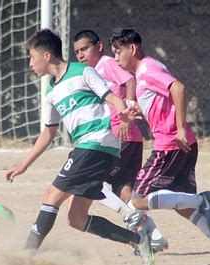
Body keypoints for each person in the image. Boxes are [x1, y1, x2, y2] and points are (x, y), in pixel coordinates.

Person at [4, 29, 155, 265]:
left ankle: (26, 256)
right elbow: (48, 133)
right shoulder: (51, 93)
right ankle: (139, 241)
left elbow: (111, 97)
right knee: (76, 219)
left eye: (32, 57)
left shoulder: (83, 72)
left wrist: (124, 117)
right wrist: (23, 165)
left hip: (95, 143)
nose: (30, 63)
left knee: (50, 196)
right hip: (93, 149)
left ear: (46, 55)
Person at [109, 28, 210, 265]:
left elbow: (178, 89)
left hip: (170, 144)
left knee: (138, 200)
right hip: (183, 143)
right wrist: (138, 113)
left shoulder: (147, 70)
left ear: (132, 48)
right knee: (182, 207)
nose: (116, 58)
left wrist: (180, 127)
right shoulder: (149, 69)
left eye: (118, 52)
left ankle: (200, 200)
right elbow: (163, 102)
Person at [72, 29, 168, 253]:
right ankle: (155, 236)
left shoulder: (107, 64)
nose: (81, 55)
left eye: (85, 49)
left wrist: (128, 112)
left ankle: (133, 219)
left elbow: (130, 80)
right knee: (123, 190)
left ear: (99, 46)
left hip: (119, 135)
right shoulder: (92, 72)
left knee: (95, 183)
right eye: (77, 52)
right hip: (127, 138)